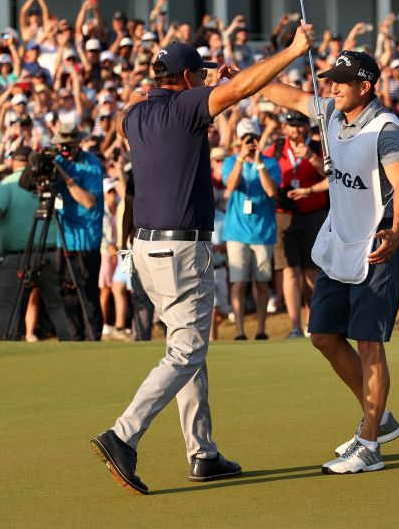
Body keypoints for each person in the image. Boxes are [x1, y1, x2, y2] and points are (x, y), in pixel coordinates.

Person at [92, 28, 314, 495]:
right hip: (179, 249)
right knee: (186, 351)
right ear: (189, 76)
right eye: (199, 72)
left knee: (188, 346)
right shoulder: (187, 105)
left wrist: (205, 82)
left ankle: (202, 452)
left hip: (147, 248)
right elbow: (238, 90)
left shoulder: (135, 115)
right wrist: (293, 52)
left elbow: (138, 116)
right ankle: (123, 435)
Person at [261, 49, 399, 475]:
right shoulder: (331, 111)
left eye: (340, 81)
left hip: (378, 244)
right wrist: (243, 79)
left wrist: (397, 231)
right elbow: (288, 97)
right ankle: (380, 419)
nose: (331, 86)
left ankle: (369, 446)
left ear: (365, 87)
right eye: (330, 79)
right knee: (323, 336)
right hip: (339, 241)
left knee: (369, 345)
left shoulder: (387, 130)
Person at [0, 145, 71, 342]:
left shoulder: (6, 184)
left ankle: (7, 348)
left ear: (13, 162)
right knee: (55, 304)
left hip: (17, 256)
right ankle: (70, 343)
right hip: (50, 252)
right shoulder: (47, 183)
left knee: (7, 306)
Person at [263, 110, 328, 338]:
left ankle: (314, 323)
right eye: (292, 125)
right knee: (290, 271)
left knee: (312, 271)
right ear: (285, 128)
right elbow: (260, 165)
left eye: (301, 125)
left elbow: (335, 177)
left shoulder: (320, 147)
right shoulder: (277, 149)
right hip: (284, 214)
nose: (296, 130)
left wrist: (311, 158)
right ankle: (294, 326)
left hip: (314, 214)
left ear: (308, 128)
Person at [221, 118, 281, 341]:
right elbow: (230, 185)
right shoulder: (230, 162)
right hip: (236, 232)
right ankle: (239, 330)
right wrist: (240, 158)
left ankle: (261, 329)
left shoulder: (270, 163)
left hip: (262, 232)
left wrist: (259, 163)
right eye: (246, 139)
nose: (250, 143)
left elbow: (271, 191)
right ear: (238, 141)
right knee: (238, 282)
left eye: (253, 139)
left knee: (262, 282)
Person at [52, 124, 105, 341]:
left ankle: (94, 340)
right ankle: (74, 341)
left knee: (88, 294)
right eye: (61, 145)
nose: (65, 149)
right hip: (64, 237)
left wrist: (63, 174)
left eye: (69, 144)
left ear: (78, 143)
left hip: (86, 239)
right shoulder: (57, 161)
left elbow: (88, 201)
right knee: (67, 294)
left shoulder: (90, 163)